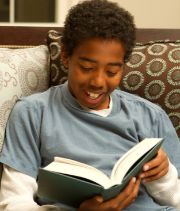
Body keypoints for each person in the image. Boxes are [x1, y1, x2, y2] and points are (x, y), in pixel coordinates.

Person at [0, 0, 180, 211]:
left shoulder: (151, 116)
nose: (98, 82)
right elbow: (13, 204)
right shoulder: (32, 113)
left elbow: (175, 200)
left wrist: (163, 176)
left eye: (112, 72)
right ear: (66, 57)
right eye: (86, 68)